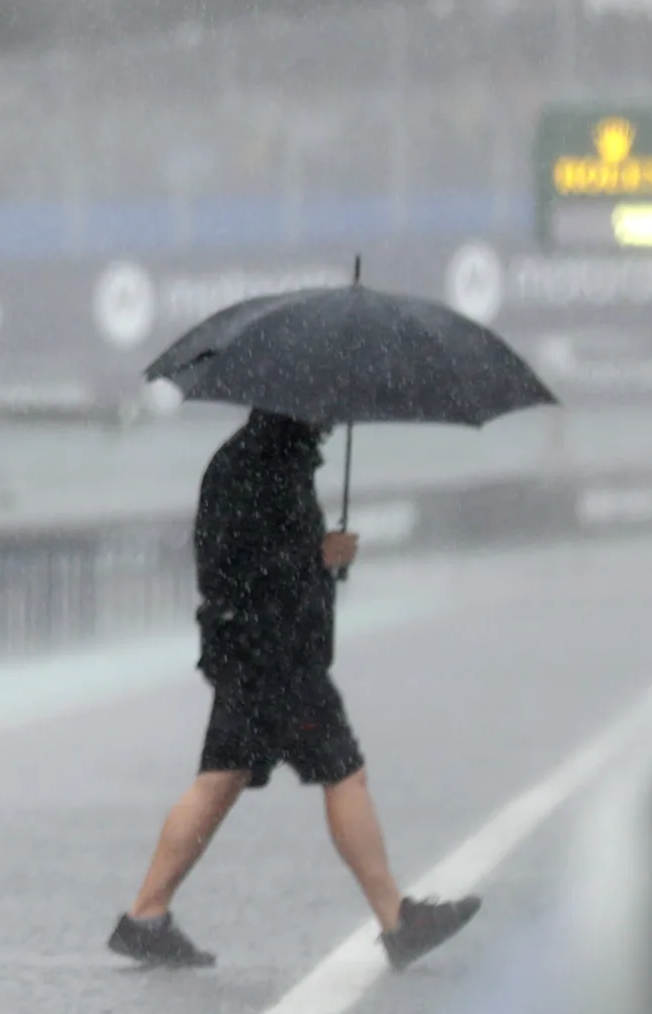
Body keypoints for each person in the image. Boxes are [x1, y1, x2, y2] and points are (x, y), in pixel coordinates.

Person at [110, 412, 480, 972]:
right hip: (273, 657)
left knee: (222, 778)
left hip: (257, 651)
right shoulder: (258, 464)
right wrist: (318, 556)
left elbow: (252, 561)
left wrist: (317, 559)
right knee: (342, 770)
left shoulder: (269, 456)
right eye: (324, 411)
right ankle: (397, 921)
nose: (331, 421)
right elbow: (234, 567)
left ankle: (145, 917)